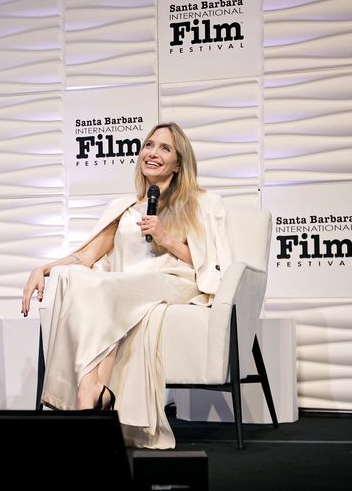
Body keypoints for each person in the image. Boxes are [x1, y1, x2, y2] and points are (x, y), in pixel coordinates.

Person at [21, 122, 231, 449]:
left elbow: (209, 264)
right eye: (149, 145)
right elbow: (87, 256)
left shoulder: (202, 203)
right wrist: (44, 268)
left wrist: (167, 238)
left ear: (178, 163)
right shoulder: (125, 207)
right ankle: (95, 388)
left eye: (165, 148)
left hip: (173, 281)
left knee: (103, 288)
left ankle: (91, 392)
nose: (153, 153)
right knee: (78, 279)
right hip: (124, 284)